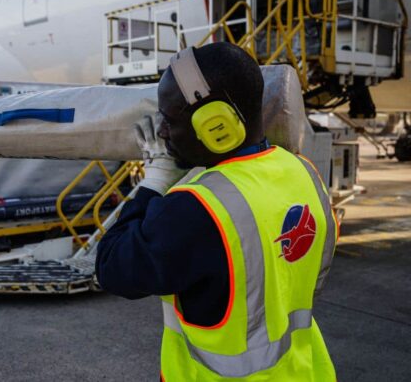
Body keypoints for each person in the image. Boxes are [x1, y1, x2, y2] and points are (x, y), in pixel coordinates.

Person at [96, 43, 338, 380]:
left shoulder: (198, 208)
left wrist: (153, 184)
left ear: (217, 126)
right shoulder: (304, 173)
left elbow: (112, 268)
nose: (162, 132)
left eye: (168, 119)